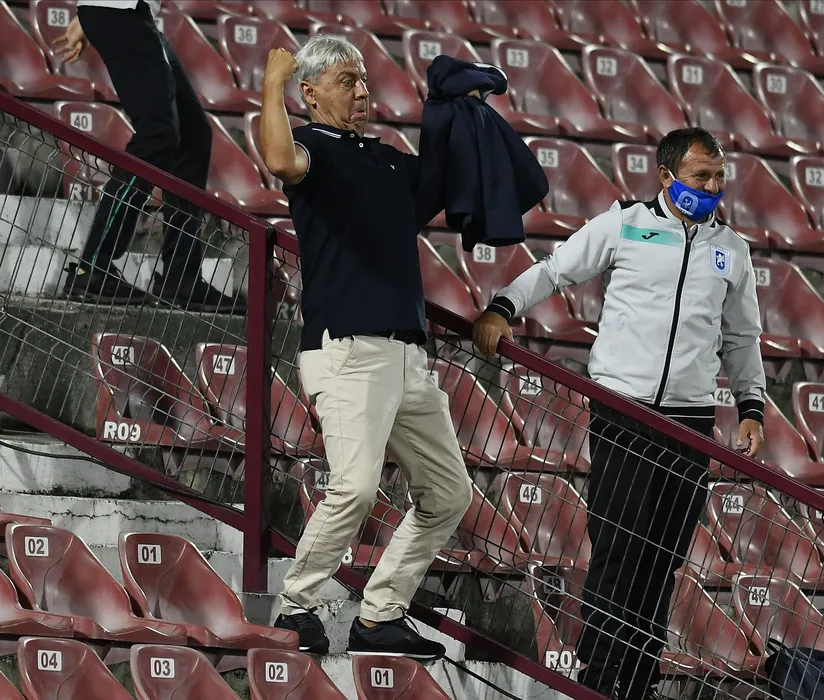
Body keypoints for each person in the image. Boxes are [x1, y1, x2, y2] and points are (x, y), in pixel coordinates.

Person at [259, 34, 540, 659]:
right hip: (348, 349)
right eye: (346, 81)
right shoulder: (311, 148)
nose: (362, 91)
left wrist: (455, 113)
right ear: (310, 94)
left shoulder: (385, 160)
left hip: (410, 355)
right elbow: (278, 158)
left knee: (449, 493)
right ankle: (296, 606)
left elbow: (440, 181)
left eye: (364, 79)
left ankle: (381, 613)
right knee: (355, 489)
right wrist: (271, 85)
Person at [473, 127, 766, 699]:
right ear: (666, 176)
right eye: (701, 176)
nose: (712, 187)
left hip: (691, 424)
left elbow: (742, 337)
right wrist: (503, 306)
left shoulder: (733, 249)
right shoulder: (625, 223)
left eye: (719, 177)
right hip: (623, 413)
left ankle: (638, 680)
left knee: (663, 558)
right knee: (618, 549)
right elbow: (555, 270)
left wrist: (751, 406)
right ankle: (600, 679)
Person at [54, 0, 243, 312]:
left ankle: (181, 278)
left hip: (135, 13)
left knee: (194, 135)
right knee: (157, 135)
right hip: (120, 11)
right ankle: (94, 267)